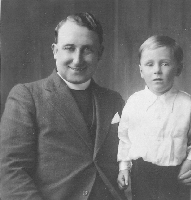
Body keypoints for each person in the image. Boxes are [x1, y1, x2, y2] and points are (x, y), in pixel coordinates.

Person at [0, 12, 127, 200]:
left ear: (100, 53)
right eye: (69, 48)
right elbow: (10, 171)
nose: (77, 59)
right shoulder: (27, 97)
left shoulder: (114, 100)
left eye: (87, 50)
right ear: (55, 50)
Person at [116, 35, 191, 200]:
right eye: (149, 64)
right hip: (142, 173)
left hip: (175, 174)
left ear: (178, 69)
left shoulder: (187, 104)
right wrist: (124, 167)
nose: (157, 70)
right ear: (141, 71)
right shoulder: (134, 102)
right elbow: (125, 139)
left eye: (165, 64)